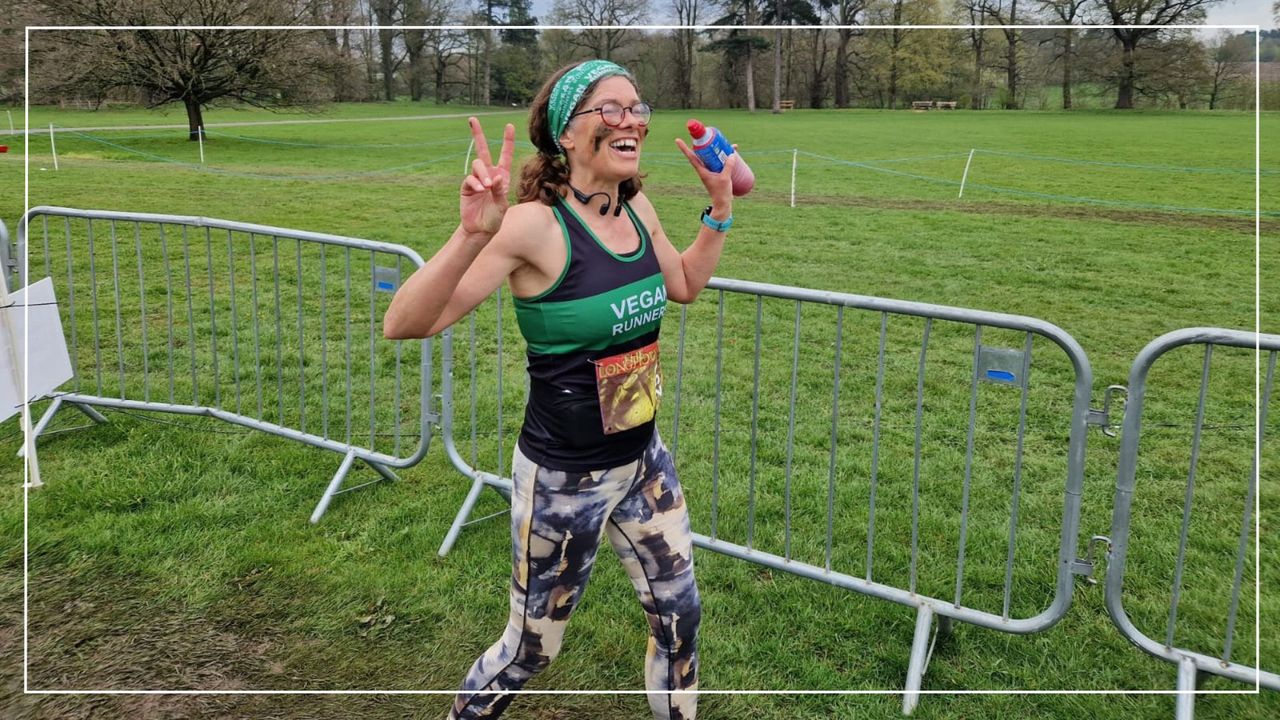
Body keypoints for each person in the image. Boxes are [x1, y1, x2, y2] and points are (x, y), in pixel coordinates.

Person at [383, 59, 739, 720]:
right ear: (566, 134)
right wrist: (470, 234)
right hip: (563, 479)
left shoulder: (636, 206)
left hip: (643, 463)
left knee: (680, 623)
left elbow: (684, 284)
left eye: (637, 105)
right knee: (531, 650)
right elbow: (406, 323)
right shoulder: (532, 226)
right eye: (611, 108)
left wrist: (719, 209)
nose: (632, 118)